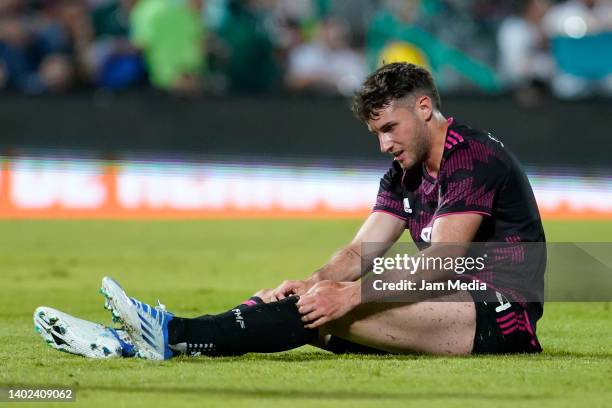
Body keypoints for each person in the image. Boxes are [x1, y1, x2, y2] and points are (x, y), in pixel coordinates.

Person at [34, 63, 545, 360]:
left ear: (425, 109)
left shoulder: (471, 156)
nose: (384, 144)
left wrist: (351, 294)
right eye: (376, 134)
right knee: (303, 302)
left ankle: (168, 334)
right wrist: (314, 279)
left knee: (324, 309)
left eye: (390, 128)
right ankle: (138, 341)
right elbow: (358, 251)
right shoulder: (405, 174)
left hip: (501, 317)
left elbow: (442, 262)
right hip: (451, 309)